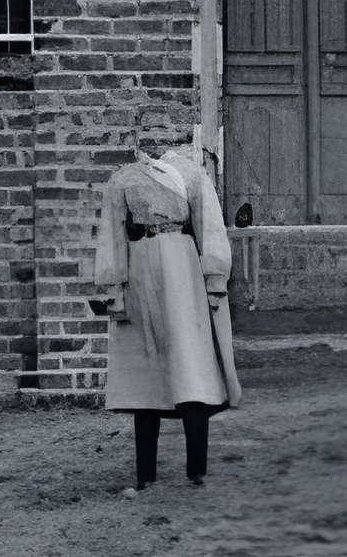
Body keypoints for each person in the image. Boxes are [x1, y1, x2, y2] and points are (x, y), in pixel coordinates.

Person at [93, 104, 239, 490]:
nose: (158, 137)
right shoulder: (122, 179)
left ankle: (196, 470)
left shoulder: (192, 175)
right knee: (146, 373)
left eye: (165, 129)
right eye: (149, 130)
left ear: (177, 133)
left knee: (191, 367)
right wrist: (113, 287)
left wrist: (214, 279)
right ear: (137, 136)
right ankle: (145, 475)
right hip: (140, 271)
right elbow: (111, 235)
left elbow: (209, 228)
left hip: (183, 270)